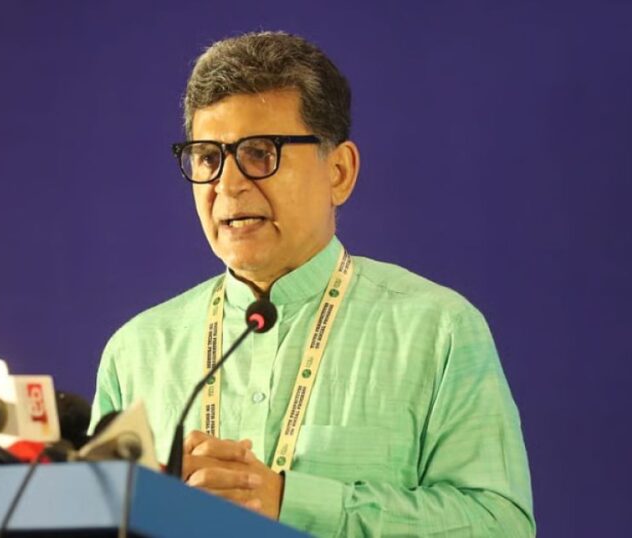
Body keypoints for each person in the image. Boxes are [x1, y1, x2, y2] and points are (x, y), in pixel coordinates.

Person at [91, 31, 534, 536]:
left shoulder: (438, 330)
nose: (228, 185)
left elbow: (502, 525)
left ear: (339, 172)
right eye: (209, 157)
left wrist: (289, 501)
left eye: (260, 153)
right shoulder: (137, 351)